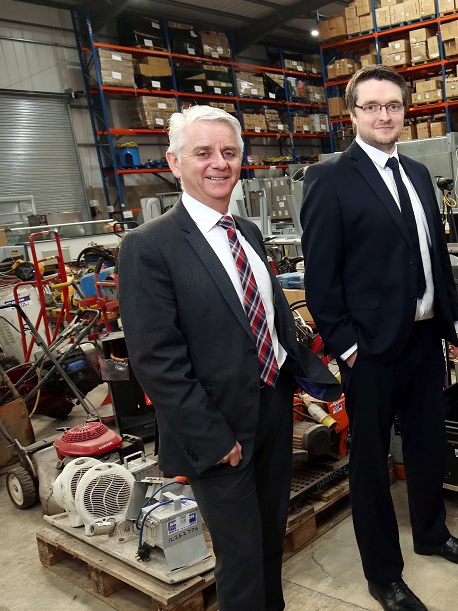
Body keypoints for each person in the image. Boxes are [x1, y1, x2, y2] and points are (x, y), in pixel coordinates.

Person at [119, 105, 340, 611]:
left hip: (270, 412)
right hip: (218, 430)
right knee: (239, 560)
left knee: (268, 541)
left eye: (229, 152)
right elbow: (157, 360)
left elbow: (268, 316)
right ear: (174, 163)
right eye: (203, 153)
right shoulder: (149, 248)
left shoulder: (246, 231)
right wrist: (214, 439)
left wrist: (306, 373)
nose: (218, 163)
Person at [300, 65, 458, 611]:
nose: (384, 115)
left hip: (427, 342)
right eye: (372, 106)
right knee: (371, 465)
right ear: (353, 115)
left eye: (394, 106)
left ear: (405, 111)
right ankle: (383, 574)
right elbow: (320, 276)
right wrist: (347, 346)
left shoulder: (419, 174)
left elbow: (434, 259)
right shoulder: (330, 179)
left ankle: (432, 534)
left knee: (429, 446)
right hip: (372, 350)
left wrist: (453, 320)